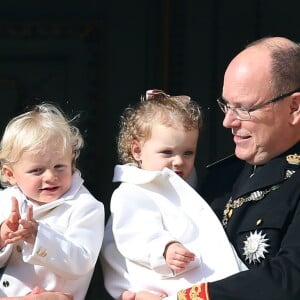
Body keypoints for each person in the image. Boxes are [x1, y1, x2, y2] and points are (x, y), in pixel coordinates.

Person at [121, 36, 300, 300]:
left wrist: (181, 298)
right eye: (227, 105)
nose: (228, 121)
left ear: (294, 107)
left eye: (244, 108)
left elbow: (289, 278)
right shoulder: (219, 177)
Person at [100, 90, 246, 299]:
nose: (178, 162)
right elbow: (134, 234)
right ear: (137, 151)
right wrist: (164, 248)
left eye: (188, 153)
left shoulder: (180, 183)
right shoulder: (132, 192)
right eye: (167, 153)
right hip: (162, 286)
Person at [0, 103, 105, 300]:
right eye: (37, 170)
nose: (50, 176)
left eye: (59, 166)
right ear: (10, 174)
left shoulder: (86, 207)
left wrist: (37, 235)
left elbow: (81, 262)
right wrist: (2, 236)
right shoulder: (7, 199)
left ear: (72, 162)